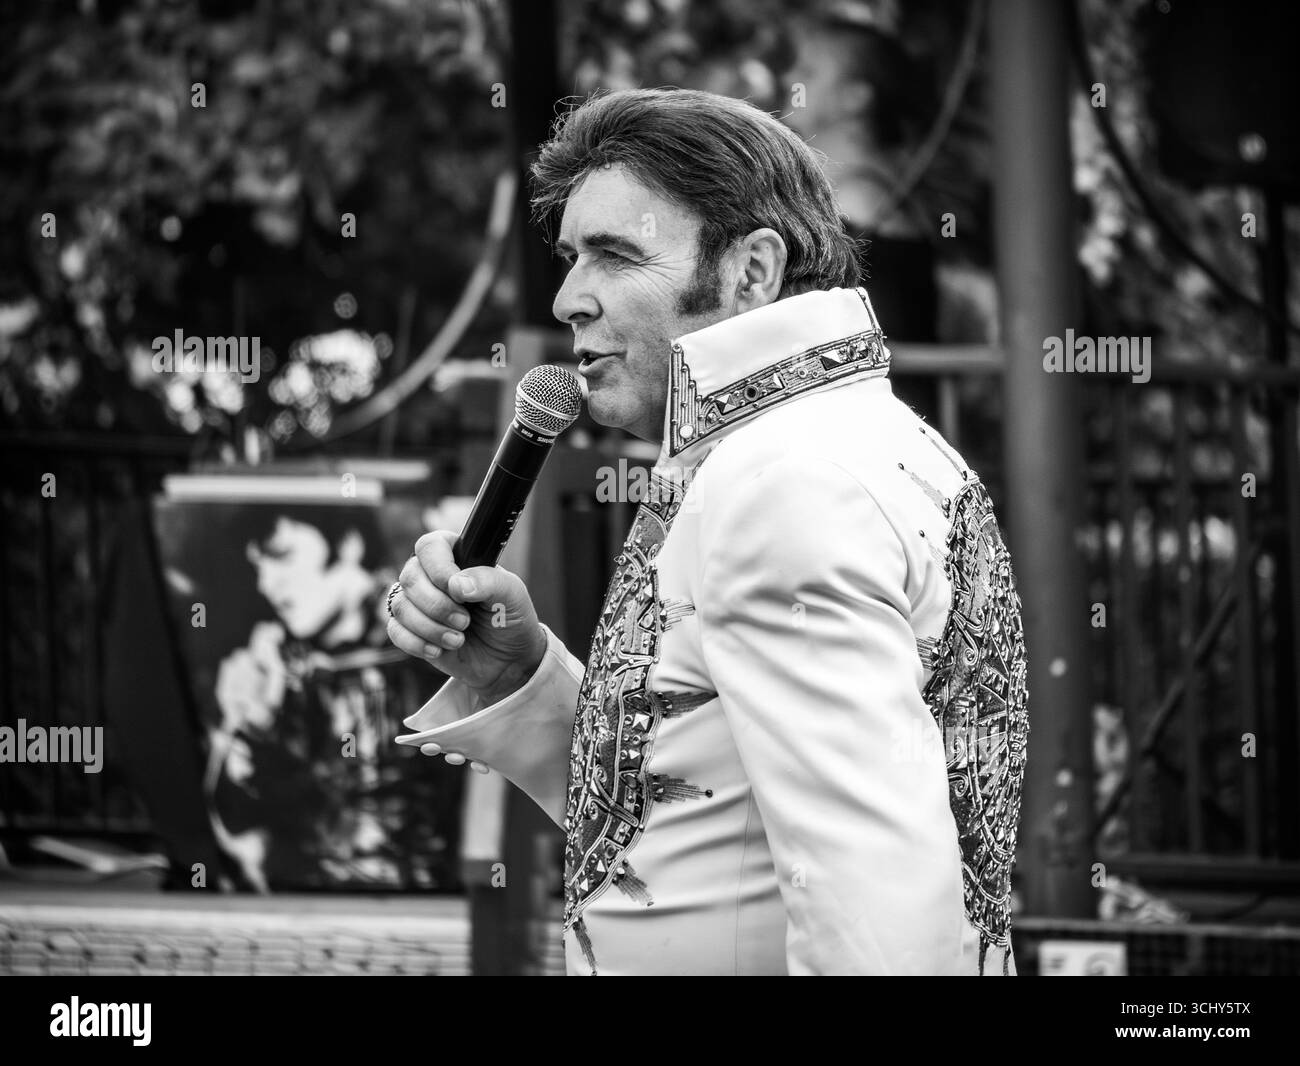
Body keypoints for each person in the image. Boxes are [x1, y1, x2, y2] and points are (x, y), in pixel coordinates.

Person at [386, 88, 1029, 975]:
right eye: (573, 257)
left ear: (752, 272)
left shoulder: (784, 480)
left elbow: (879, 914)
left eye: (615, 255)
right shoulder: (842, 443)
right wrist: (525, 678)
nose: (571, 296)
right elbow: (695, 822)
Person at [207, 508, 461, 892]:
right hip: (309, 896)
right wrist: (249, 732)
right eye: (258, 567)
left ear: (348, 545)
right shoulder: (271, 662)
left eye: (281, 555)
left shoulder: (426, 639)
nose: (267, 583)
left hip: (422, 887)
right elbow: (238, 826)